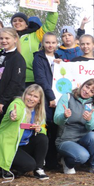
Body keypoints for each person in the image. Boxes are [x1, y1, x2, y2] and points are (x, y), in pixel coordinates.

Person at [0, 1, 59, 83]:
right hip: (9, 76)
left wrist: (53, 8)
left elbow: (49, 25)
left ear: (26, 24)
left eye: (20, 21)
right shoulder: (7, 36)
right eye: (14, 21)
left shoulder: (35, 35)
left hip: (30, 77)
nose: (17, 22)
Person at [0, 84, 49, 181]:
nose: (31, 98)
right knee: (29, 165)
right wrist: (13, 114)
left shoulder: (38, 112)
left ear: (39, 101)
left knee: (42, 138)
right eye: (29, 95)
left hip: (23, 145)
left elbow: (44, 129)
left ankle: (39, 169)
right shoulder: (17, 104)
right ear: (24, 95)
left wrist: (39, 129)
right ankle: (5, 167)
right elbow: (14, 113)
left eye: (35, 96)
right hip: (9, 146)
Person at [54, 79, 94, 175]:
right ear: (82, 84)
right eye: (87, 87)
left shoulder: (92, 104)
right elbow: (56, 120)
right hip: (66, 140)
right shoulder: (67, 97)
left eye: (92, 91)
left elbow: (91, 127)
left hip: (82, 139)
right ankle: (66, 162)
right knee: (83, 156)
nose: (87, 91)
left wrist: (89, 120)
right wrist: (64, 116)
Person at [32, 32, 62, 168]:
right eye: (47, 42)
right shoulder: (38, 58)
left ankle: (52, 160)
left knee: (56, 129)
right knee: (44, 129)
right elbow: (41, 79)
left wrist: (61, 65)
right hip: (45, 99)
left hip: (58, 100)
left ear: (57, 44)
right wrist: (51, 97)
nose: (50, 45)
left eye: (53, 42)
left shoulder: (60, 58)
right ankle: (41, 161)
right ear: (43, 43)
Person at [0, 28, 27, 118]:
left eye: (7, 38)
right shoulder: (1, 54)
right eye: (1, 38)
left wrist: (2, 101)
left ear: (15, 39)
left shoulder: (18, 58)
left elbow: (15, 82)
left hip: (9, 101)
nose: (4, 41)